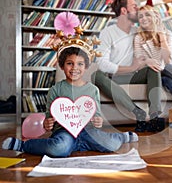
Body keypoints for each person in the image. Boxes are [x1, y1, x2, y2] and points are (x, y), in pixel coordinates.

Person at [2, 32, 138, 157]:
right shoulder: (55, 90)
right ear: (62, 66)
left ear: (86, 67)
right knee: (59, 148)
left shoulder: (93, 90)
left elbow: (96, 116)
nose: (74, 68)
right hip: (64, 132)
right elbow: (49, 120)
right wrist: (46, 124)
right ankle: (24, 145)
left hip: (88, 131)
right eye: (69, 63)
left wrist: (98, 121)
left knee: (111, 144)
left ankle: (122, 137)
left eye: (80, 64)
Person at [92, 0, 163, 132]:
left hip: (135, 75)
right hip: (114, 78)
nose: (138, 10)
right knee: (97, 75)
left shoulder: (138, 32)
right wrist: (130, 68)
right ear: (124, 11)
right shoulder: (107, 33)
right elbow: (102, 63)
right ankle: (138, 113)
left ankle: (155, 117)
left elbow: (150, 52)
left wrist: (147, 61)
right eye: (134, 7)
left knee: (153, 68)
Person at [134, 4, 172, 100]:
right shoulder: (138, 38)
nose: (144, 18)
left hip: (166, 72)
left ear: (155, 17)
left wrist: (162, 38)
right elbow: (139, 61)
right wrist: (147, 62)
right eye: (140, 16)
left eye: (147, 15)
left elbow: (169, 60)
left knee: (167, 79)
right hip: (151, 73)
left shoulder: (168, 34)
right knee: (166, 68)